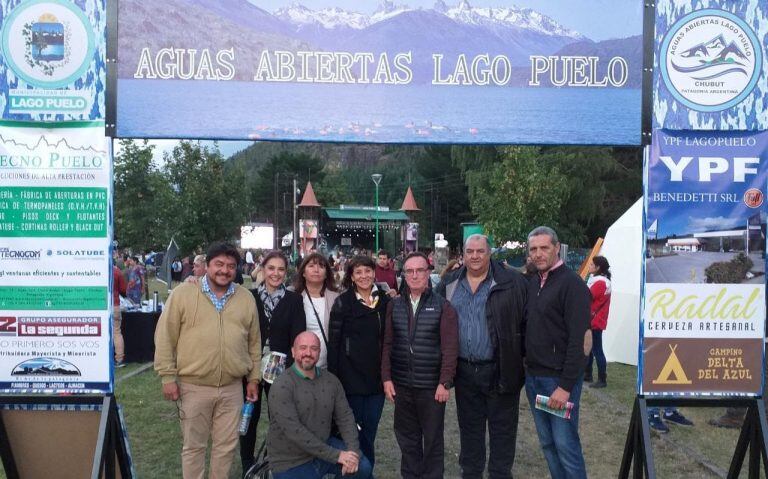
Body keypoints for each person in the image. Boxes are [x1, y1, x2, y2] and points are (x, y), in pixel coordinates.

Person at [154, 242, 261, 479]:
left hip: (233, 388)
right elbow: (165, 336)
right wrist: (167, 376)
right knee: (194, 447)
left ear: (237, 270)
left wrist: (253, 378)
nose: (224, 270)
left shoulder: (245, 298)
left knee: (226, 448)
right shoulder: (184, 293)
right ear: (207, 266)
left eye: (231, 266)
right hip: (193, 386)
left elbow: (254, 343)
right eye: (219, 264)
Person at [436, 234, 528, 479]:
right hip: (465, 371)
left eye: (480, 251)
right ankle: (471, 473)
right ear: (463, 255)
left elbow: (527, 322)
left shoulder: (512, 282)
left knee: (502, 431)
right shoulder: (450, 282)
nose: (474, 256)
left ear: (490, 254)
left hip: (500, 369)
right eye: (470, 251)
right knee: (470, 430)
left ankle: (499, 474)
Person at [382, 252, 459, 479]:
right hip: (403, 386)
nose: (415, 275)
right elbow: (387, 343)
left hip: (431, 388)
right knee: (407, 440)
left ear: (428, 273)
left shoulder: (443, 307)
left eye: (420, 270)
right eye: (410, 271)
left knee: (433, 441)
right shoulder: (394, 305)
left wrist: (444, 382)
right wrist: (386, 378)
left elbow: (450, 348)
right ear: (403, 275)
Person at [524, 226, 590, 479]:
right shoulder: (534, 283)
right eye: (534, 249)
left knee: (565, 446)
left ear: (556, 247)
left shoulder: (572, 284)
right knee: (548, 444)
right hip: (534, 379)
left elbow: (580, 342)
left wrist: (564, 386)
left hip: (558, 382)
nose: (539, 254)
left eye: (544, 248)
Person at [267, 332, 372, 478]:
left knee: (363, 467)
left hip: (324, 445)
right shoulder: (282, 385)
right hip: (291, 460)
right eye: (303, 348)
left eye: (314, 348)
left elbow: (346, 418)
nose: (308, 353)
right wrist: (337, 456)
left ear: (319, 352)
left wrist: (352, 453)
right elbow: (295, 432)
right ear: (293, 351)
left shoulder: (331, 381)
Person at [240, 251, 306, 472]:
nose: (276, 273)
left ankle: (273, 460)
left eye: (280, 269)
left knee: (279, 418)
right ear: (263, 269)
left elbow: (298, 335)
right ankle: (248, 463)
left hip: (280, 369)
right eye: (271, 268)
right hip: (251, 367)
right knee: (249, 417)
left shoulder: (294, 300)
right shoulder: (248, 297)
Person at [328, 255, 390, 473]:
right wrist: (335, 381)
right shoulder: (343, 303)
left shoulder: (385, 301)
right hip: (350, 382)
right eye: (358, 272)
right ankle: (359, 472)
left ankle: (365, 471)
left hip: (376, 384)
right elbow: (334, 345)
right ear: (351, 277)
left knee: (369, 433)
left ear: (374, 272)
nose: (364, 276)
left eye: (367, 271)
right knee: (353, 435)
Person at [293, 252, 339, 369]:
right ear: (303, 272)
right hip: (300, 365)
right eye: (311, 266)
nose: (316, 269)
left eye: (321, 266)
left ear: (326, 273)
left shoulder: (336, 298)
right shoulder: (293, 297)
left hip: (328, 365)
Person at [585, 256, 611, 388]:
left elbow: (586, 297)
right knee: (590, 349)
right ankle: (588, 374)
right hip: (595, 319)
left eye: (591, 264)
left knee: (596, 350)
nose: (589, 266)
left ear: (598, 267)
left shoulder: (600, 282)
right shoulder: (602, 281)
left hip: (594, 320)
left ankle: (602, 379)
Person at [112, 264, 128, 368]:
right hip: (115, 305)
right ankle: (120, 359)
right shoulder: (117, 271)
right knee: (117, 332)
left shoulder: (95, 269)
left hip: (98, 305)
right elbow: (123, 289)